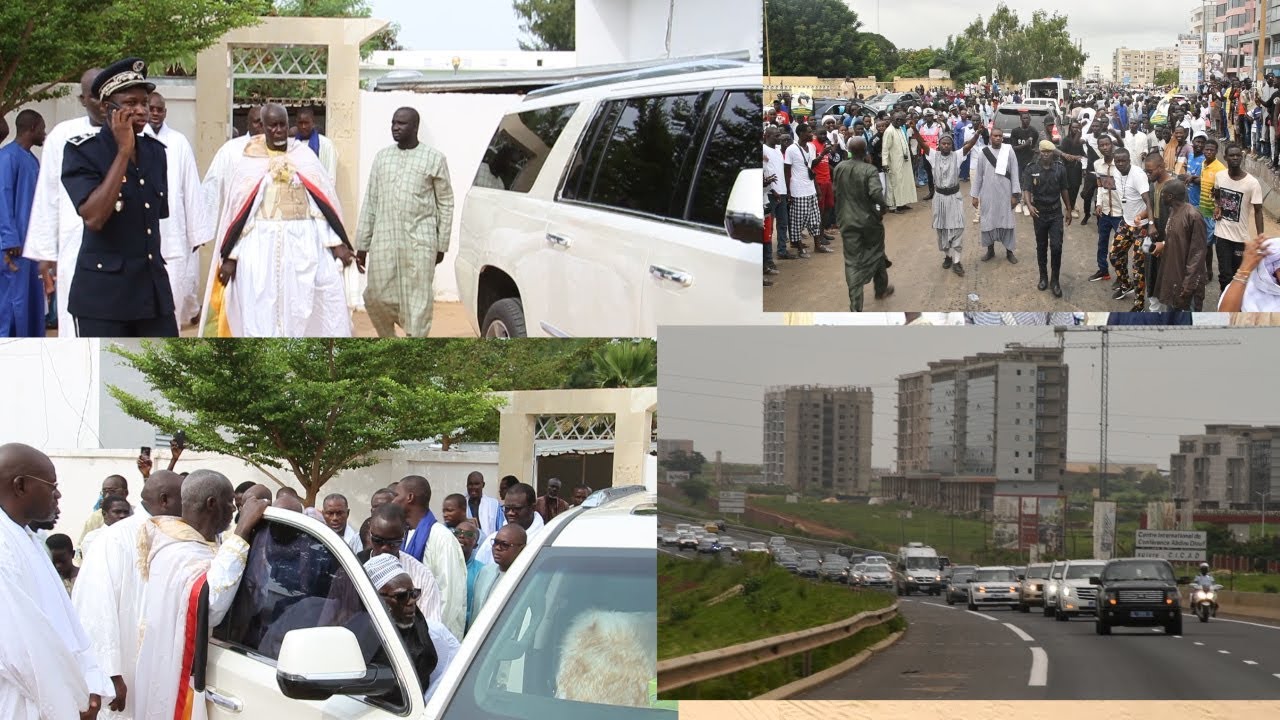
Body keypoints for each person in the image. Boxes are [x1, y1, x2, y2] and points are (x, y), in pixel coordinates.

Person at [203, 103, 355, 337]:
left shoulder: (304, 157)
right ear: (262, 127)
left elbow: (320, 206)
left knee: (309, 305)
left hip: (303, 246)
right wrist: (231, 259)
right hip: (259, 248)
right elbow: (241, 215)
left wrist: (337, 244)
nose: (278, 130)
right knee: (261, 310)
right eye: (272, 125)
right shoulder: (249, 160)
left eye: (282, 124)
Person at [132, 470, 269, 720]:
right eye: (232, 503)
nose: (235, 511)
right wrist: (240, 533)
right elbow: (210, 605)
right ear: (212, 504)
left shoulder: (190, 544)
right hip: (176, 671)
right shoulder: (178, 553)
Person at [60, 58, 177, 337]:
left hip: (152, 294)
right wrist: (123, 151)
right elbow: (94, 217)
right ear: (106, 107)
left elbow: (154, 216)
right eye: (130, 103)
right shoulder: (82, 152)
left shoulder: (155, 152)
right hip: (104, 299)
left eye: (144, 103)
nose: (141, 110)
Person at [0, 443, 113, 719]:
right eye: (52, 485)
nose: (58, 493)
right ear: (20, 486)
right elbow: (20, 650)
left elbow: (64, 622)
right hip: (26, 701)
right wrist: (71, 700)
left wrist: (89, 684)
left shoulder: (26, 537)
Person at [72, 469, 183, 720]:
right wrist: (110, 673)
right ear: (164, 500)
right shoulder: (116, 538)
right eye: (183, 499)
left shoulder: (174, 536)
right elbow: (95, 607)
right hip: (124, 676)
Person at [355, 107, 453, 337]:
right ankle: (388, 338)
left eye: (401, 123)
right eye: (393, 123)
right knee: (376, 294)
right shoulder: (382, 157)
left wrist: (441, 245)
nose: (395, 128)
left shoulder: (434, 158)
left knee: (418, 299)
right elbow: (371, 201)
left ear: (415, 127)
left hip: (420, 241)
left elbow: (446, 203)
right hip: (384, 240)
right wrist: (362, 245)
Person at [22, 68, 103, 337]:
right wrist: (46, 253)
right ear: (82, 99)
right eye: (95, 95)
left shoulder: (133, 133)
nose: (102, 101)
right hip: (75, 245)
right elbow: (48, 195)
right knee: (74, 323)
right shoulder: (62, 135)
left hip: (122, 251)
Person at [143, 91, 210, 329]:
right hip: (142, 235)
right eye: (151, 108)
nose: (155, 114)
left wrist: (196, 232)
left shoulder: (179, 142)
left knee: (174, 296)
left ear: (165, 112)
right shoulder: (134, 138)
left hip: (174, 233)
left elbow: (191, 188)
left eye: (160, 109)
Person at [356, 554, 459, 706]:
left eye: (414, 594)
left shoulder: (435, 635)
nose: (411, 602)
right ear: (376, 598)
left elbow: (455, 677)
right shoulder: (356, 640)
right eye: (401, 596)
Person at [393, 474, 467, 639]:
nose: (393, 501)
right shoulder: (406, 535)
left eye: (397, 495)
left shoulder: (442, 538)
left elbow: (449, 596)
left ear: (410, 497)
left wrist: (427, 637)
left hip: (434, 638)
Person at [353, 502, 445, 627]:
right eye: (378, 541)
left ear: (404, 533)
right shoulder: (354, 567)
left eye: (393, 543)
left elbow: (431, 628)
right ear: (370, 531)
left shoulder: (422, 576)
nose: (385, 548)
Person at [0, 109, 46, 337]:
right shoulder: (7, 157)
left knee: (30, 306)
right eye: (42, 128)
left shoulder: (32, 159)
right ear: (32, 128)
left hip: (31, 247)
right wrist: (9, 239)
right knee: (11, 306)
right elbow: (3, 197)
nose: (44, 133)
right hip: (13, 248)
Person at [832, 137, 891, 311]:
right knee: (877, 250)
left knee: (852, 262)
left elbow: (836, 191)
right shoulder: (869, 170)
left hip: (847, 221)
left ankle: (857, 305)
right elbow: (876, 193)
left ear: (849, 151)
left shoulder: (839, 168)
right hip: (869, 222)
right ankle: (880, 289)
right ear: (865, 151)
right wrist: (884, 206)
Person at [1211, 143, 1264, 297]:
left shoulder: (1252, 183)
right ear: (1226, 157)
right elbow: (1217, 193)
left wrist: (1260, 237)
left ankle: (1238, 305)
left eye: (1238, 155)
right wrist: (1217, 206)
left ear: (1241, 157)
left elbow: (1258, 211)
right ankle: (1224, 304)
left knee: (1238, 274)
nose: (1235, 158)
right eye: (1231, 155)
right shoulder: (1220, 176)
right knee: (1225, 275)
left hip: (1240, 237)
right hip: (1222, 234)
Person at [1022, 140, 1072, 298]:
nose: (1045, 154)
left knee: (1057, 247)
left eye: (1048, 152)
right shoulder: (1031, 169)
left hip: (1055, 213)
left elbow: (1064, 189)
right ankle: (1043, 277)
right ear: (1039, 152)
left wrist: (1069, 209)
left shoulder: (1060, 169)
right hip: (1039, 213)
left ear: (1053, 153)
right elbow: (1027, 189)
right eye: (1043, 151)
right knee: (1041, 246)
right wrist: (1029, 205)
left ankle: (1055, 280)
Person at [1150, 178, 1207, 311]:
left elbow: (1197, 254)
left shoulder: (1193, 216)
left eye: (1163, 194)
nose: (1161, 197)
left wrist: (1188, 284)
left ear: (1170, 196)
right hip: (1174, 278)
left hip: (1188, 283)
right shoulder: (1173, 212)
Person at [1108, 148, 1152, 311]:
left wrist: (1151, 223)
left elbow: (1149, 201)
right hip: (1126, 222)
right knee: (1114, 255)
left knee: (1138, 267)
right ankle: (1126, 284)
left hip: (1142, 225)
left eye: (1123, 161)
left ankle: (1139, 304)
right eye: (1117, 161)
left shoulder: (1138, 175)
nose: (1120, 164)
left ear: (1129, 160)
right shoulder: (1116, 172)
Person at [970, 127, 1021, 265]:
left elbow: (1015, 172)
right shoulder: (983, 153)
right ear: (990, 137)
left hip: (1005, 193)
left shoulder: (1008, 150)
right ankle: (990, 250)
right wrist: (975, 195)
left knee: (1007, 222)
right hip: (988, 194)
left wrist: (1015, 194)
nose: (998, 138)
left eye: (1000, 136)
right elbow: (979, 176)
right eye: (995, 136)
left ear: (1002, 138)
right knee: (988, 220)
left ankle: (1009, 252)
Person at [923, 133, 970, 277]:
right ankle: (948, 256)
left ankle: (957, 262)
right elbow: (923, 145)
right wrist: (914, 130)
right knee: (941, 229)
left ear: (952, 145)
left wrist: (978, 134)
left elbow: (969, 146)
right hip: (939, 198)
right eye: (943, 143)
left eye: (948, 143)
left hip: (954, 197)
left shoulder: (957, 155)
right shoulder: (933, 156)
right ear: (939, 145)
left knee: (957, 227)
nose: (946, 146)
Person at [474, 482, 544, 566]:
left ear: (533, 507)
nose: (510, 513)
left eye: (517, 509)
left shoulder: (545, 540)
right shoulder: (492, 540)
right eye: (507, 508)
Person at [471, 524, 528, 625]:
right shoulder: (485, 572)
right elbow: (474, 612)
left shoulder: (526, 580)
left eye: (504, 545)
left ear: (522, 549)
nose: (497, 548)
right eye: (495, 543)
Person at [1090, 135, 1124, 285]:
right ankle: (1103, 271)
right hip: (1104, 212)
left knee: (1120, 248)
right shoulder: (1097, 164)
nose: (1104, 147)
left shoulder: (1121, 164)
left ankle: (1121, 277)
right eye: (1101, 145)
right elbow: (1100, 186)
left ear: (1112, 145)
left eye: (1107, 144)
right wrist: (1098, 204)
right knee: (1102, 243)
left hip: (1120, 213)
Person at [783, 123, 821, 257]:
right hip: (798, 190)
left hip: (810, 189)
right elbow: (787, 171)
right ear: (801, 134)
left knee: (815, 219)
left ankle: (818, 245)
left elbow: (811, 167)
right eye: (809, 132)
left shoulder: (811, 146)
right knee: (798, 221)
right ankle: (799, 248)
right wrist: (788, 192)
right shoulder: (791, 149)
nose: (812, 134)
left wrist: (823, 155)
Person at [1218, 235, 1280, 311]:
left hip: (1239, 239)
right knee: (1226, 275)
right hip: (1227, 238)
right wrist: (1244, 270)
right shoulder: (1248, 291)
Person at [78, 493, 133, 561]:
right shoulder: (92, 538)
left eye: (126, 512)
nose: (122, 516)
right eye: (117, 512)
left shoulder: (133, 536)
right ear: (104, 514)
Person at [80, 474, 130, 546]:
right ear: (104, 514)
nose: (107, 496)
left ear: (125, 493)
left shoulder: (137, 514)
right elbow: (81, 548)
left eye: (112, 491)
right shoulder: (96, 518)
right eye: (104, 492)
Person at [882, 112, 916, 212]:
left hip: (903, 162)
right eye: (903, 120)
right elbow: (885, 149)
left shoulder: (900, 128)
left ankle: (902, 203)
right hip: (894, 163)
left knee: (903, 183)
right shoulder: (889, 131)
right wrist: (885, 163)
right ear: (898, 120)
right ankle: (893, 206)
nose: (905, 122)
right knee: (894, 184)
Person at [454, 520, 484, 629]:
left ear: (476, 544)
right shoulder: (440, 566)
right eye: (457, 532)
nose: (462, 536)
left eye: (469, 534)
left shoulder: (482, 571)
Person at [1008, 112, 1039, 216]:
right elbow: (1013, 147)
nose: (1025, 120)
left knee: (1028, 183)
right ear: (1020, 119)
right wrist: (1025, 145)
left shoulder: (1034, 131)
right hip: (1018, 161)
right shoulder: (1015, 131)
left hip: (1029, 161)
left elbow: (1033, 147)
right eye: (1024, 118)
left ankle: (1026, 204)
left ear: (1030, 119)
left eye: (1027, 118)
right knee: (1018, 182)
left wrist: (1034, 150)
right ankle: (1019, 203)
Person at [294, 107, 337, 180]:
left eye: (306, 123)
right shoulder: (293, 145)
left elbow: (331, 175)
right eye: (300, 123)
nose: (303, 126)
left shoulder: (326, 144)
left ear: (313, 123)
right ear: (296, 123)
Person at [464, 471, 505, 537]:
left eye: (476, 484)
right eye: (470, 484)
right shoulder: (461, 503)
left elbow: (501, 529)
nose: (473, 487)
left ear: (483, 485)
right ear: (466, 485)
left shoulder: (494, 505)